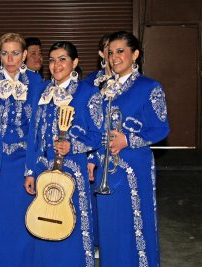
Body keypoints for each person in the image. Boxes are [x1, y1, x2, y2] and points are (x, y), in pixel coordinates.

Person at [90, 31, 170, 266]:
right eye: (111, 52)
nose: (114, 57)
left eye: (120, 51)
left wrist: (128, 140)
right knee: (110, 226)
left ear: (135, 54)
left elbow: (161, 128)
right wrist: (92, 158)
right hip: (106, 167)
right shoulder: (103, 88)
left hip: (134, 167)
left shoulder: (149, 87)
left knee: (134, 224)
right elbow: (97, 129)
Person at [24, 41, 102, 267]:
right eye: (52, 60)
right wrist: (29, 171)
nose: (56, 65)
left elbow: (98, 135)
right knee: (42, 224)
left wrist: (73, 146)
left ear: (75, 63)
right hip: (41, 169)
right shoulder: (40, 90)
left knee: (73, 225)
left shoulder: (88, 93)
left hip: (73, 171)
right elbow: (33, 136)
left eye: (62, 59)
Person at [0, 33, 42, 267]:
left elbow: (36, 129)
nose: (10, 58)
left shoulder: (36, 83)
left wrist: (31, 169)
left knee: (22, 220)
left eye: (15, 53)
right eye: (5, 53)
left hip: (23, 161)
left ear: (24, 55)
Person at [85, 32, 112, 257]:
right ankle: (94, 241)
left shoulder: (134, 81)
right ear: (101, 54)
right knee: (93, 200)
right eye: (108, 50)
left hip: (118, 149)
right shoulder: (90, 82)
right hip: (94, 147)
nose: (113, 56)